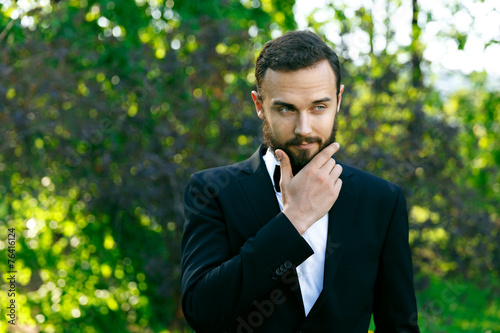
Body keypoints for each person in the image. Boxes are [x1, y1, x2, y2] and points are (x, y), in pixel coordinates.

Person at [181, 30, 420, 333]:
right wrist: (294, 220)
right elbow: (202, 310)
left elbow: (400, 325)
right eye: (286, 109)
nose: (304, 129)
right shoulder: (213, 191)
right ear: (259, 105)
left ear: (339, 100)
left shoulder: (381, 200)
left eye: (318, 107)